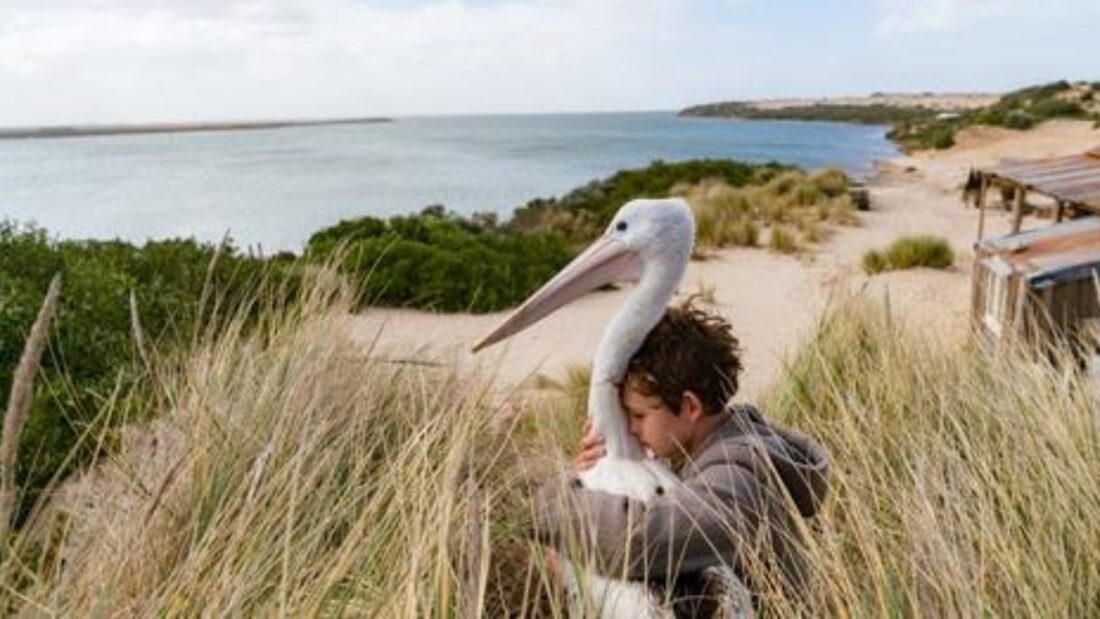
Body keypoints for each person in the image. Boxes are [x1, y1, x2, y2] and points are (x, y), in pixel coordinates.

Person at [533, 300, 830, 616]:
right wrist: (595, 473)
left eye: (638, 415)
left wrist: (562, 499)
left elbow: (640, 543)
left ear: (690, 407)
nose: (630, 429)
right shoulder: (704, 448)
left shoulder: (736, 476)